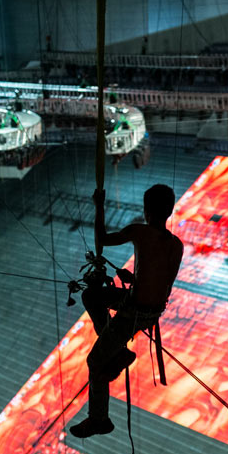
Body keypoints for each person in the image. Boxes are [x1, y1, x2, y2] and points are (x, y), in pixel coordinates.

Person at [69, 185, 183, 438]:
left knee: (95, 361)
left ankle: (99, 419)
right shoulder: (177, 245)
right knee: (92, 295)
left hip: (133, 311)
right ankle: (119, 353)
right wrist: (137, 280)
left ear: (146, 210)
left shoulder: (139, 231)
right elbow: (164, 284)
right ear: (170, 210)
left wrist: (99, 204)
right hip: (150, 311)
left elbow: (102, 240)